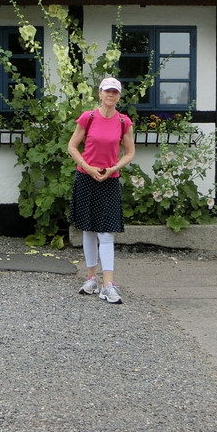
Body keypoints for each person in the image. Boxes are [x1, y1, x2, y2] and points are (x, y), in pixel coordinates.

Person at [67, 76, 135, 304]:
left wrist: (113, 168)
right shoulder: (89, 117)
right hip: (86, 177)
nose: (111, 95)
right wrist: (87, 167)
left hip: (109, 179)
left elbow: (129, 152)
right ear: (100, 93)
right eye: (107, 91)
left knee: (106, 233)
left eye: (115, 92)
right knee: (88, 230)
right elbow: (72, 146)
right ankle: (91, 279)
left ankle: (108, 284)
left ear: (119, 96)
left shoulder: (124, 122)